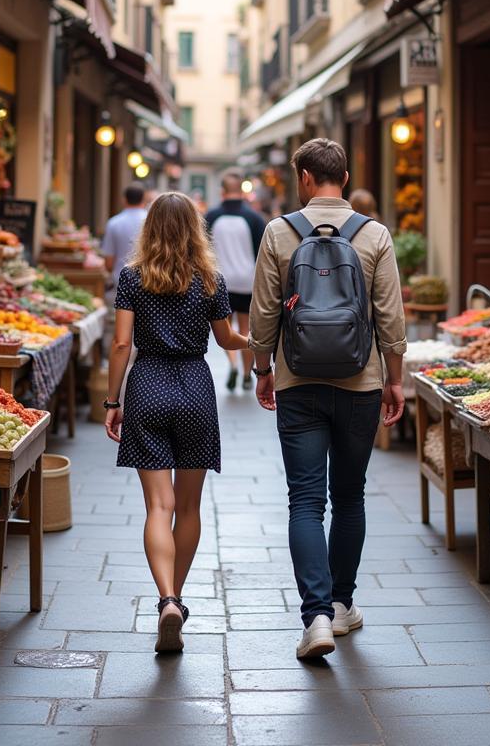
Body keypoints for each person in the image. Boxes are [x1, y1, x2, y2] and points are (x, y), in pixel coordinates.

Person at [249, 138, 407, 661]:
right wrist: (394, 378)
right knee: (351, 496)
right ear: (344, 174)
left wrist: (262, 369)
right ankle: (342, 605)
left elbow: (264, 314)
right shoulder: (374, 234)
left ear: (305, 178)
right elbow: (390, 319)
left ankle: (315, 617)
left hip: (298, 383)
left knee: (305, 501)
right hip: (360, 383)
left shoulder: (278, 231)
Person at [103, 192, 248, 653]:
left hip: (147, 385)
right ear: (194, 229)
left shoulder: (132, 278)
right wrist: (258, 338)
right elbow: (227, 338)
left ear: (149, 229)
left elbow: (121, 345)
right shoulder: (210, 280)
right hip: (195, 388)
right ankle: (178, 599)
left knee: (158, 508)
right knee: (188, 509)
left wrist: (113, 399)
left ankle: (164, 597)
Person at [205, 172, 267, 392]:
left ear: (222, 191)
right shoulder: (254, 218)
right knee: (246, 328)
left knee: (225, 327)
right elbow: (263, 252)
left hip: (219, 281)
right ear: (242, 191)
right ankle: (246, 373)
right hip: (247, 282)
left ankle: (232, 364)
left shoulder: (211, 217)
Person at [101, 183, 148, 285]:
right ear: (144, 199)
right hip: (148, 280)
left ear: (124, 199)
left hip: (120, 281)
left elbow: (108, 261)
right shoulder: (151, 220)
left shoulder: (114, 223)